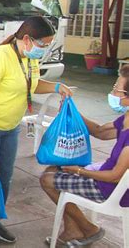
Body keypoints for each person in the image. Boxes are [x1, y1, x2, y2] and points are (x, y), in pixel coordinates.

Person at [0, 16, 73, 248]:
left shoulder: (28, 58)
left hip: (10, 127)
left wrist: (57, 87)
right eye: (43, 45)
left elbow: (33, 84)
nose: (44, 49)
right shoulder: (0, 57)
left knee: (5, 177)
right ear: (26, 39)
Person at [40, 65, 129, 247]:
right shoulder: (126, 118)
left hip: (111, 190)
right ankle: (73, 230)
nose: (112, 92)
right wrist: (72, 111)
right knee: (54, 169)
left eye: (116, 89)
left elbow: (115, 177)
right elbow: (100, 131)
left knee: (47, 179)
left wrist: (79, 171)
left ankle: (89, 229)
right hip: (108, 179)